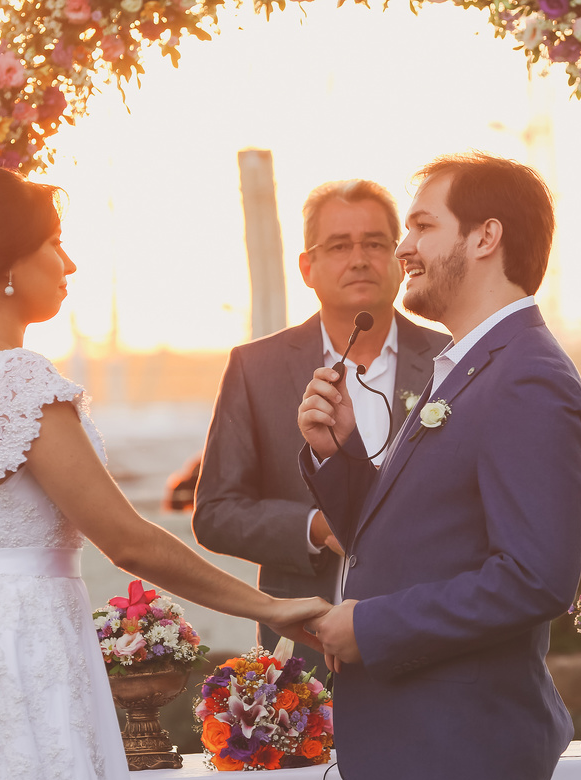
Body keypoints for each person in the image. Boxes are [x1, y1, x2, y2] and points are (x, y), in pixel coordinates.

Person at [0, 164, 328, 780]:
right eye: (53, 243)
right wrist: (268, 607)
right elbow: (127, 540)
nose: (69, 263)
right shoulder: (16, 378)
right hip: (18, 652)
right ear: (4, 265)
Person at [298, 153, 581, 780]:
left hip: (462, 753)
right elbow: (409, 540)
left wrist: (368, 627)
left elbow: (535, 579)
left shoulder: (526, 377)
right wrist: (340, 454)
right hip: (421, 748)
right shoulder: (467, 367)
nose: (402, 248)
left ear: (485, 237)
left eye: (422, 227)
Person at [191, 179, 449, 668]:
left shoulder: (451, 361)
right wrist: (315, 526)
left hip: (426, 640)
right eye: (339, 246)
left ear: (400, 258)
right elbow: (216, 513)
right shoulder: (256, 367)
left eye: (375, 243)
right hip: (304, 650)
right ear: (307, 267)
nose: (359, 259)